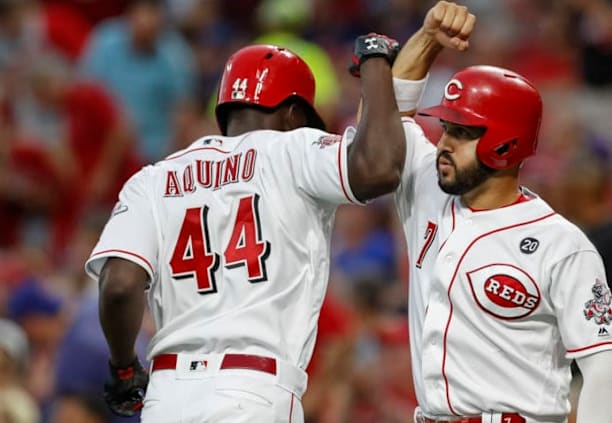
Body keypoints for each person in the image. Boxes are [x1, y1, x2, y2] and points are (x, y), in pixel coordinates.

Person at [84, 32, 409, 422]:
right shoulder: (292, 149)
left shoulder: (152, 179)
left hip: (166, 395)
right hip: (253, 388)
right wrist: (376, 63)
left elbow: (119, 285)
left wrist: (123, 369)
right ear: (293, 114)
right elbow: (379, 168)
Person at [367, 2, 612, 421]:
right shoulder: (426, 187)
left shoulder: (561, 244)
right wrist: (428, 38)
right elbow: (383, 122)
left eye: (463, 133)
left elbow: (603, 369)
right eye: (447, 128)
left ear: (506, 145)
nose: (445, 142)